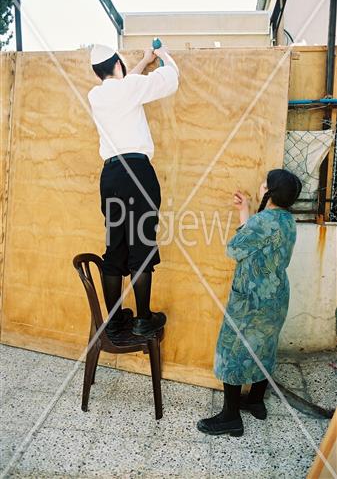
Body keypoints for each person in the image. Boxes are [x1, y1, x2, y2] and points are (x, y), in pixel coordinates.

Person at [197, 169, 302, 437]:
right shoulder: (287, 220)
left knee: (231, 350)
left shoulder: (263, 221)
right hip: (275, 296)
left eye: (266, 182)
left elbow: (234, 249)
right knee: (264, 346)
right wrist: (246, 211)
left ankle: (230, 417)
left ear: (271, 191)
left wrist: (248, 218)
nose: (261, 184)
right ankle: (255, 401)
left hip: (250, 299)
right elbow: (258, 241)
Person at [87, 43, 179, 336]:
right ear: (117, 64)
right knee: (141, 242)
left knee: (115, 245)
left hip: (111, 175)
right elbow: (171, 79)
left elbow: (126, 87)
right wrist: (162, 55)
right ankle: (142, 320)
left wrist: (142, 62)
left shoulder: (96, 95)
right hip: (137, 172)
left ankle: (113, 321)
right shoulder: (131, 88)